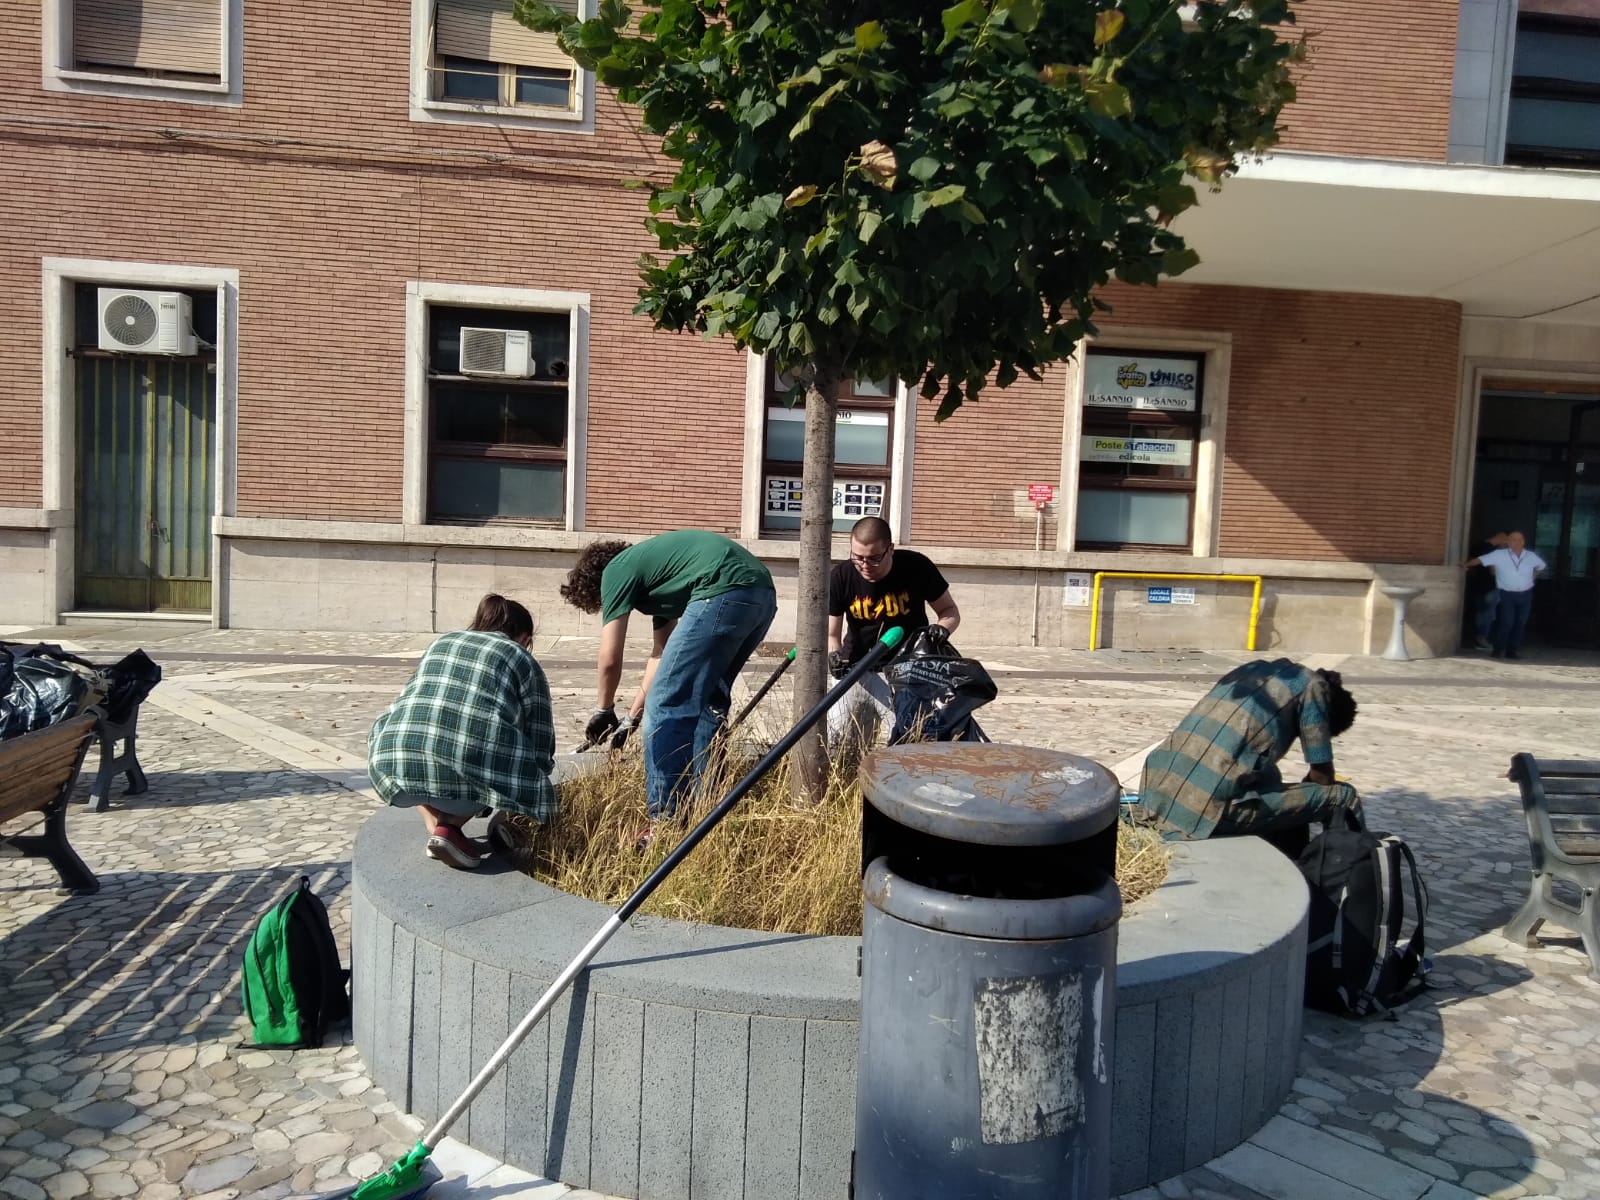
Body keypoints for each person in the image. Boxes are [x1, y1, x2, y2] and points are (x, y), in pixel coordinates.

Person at [560, 529, 776, 828]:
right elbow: (661, 655)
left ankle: (666, 822)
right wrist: (631, 718)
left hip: (721, 589)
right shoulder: (662, 578)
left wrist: (603, 710)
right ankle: (707, 808)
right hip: (760, 593)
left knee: (665, 709)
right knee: (705, 702)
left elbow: (609, 658)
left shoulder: (616, 570)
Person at [367, 594, 556, 870]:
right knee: (493, 767)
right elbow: (540, 742)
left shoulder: (442, 642)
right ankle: (450, 826)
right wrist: (532, 789)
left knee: (427, 754)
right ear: (524, 637)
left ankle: (437, 825)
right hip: (464, 779)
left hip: (392, 773)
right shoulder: (520, 658)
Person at [1135, 659, 1362, 853]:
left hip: (1155, 791)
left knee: (1274, 781)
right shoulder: (1315, 687)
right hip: (1201, 810)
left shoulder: (1254, 669)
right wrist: (1312, 787)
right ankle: (1350, 872)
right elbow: (1322, 777)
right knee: (1342, 796)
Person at [827, 516, 961, 749]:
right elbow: (832, 634)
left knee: (904, 745)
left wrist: (942, 629)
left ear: (890, 550)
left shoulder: (917, 567)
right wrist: (835, 656)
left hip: (904, 674)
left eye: (874, 559)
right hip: (856, 669)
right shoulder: (842, 575)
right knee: (839, 744)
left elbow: (949, 611)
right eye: (857, 558)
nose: (865, 566)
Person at [1463, 530, 1546, 660]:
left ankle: (1512, 650)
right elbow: (1480, 560)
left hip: (1526, 595)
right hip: (1507, 594)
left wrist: (1532, 578)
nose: (1517, 542)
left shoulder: (1530, 556)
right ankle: (1498, 649)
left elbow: (1541, 566)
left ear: (1523, 542)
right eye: (1513, 540)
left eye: (1520, 540)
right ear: (1508, 542)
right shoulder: (1499, 554)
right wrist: (1465, 564)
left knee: (1520, 623)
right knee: (1506, 622)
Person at [1466, 531, 1509, 651]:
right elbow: (1493, 571)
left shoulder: (1478, 546)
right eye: (1506, 542)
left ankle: (1478, 639)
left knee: (1480, 613)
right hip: (1491, 586)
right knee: (1488, 614)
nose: (1507, 545)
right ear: (1501, 538)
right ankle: (1482, 640)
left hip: (1477, 585)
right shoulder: (1492, 551)